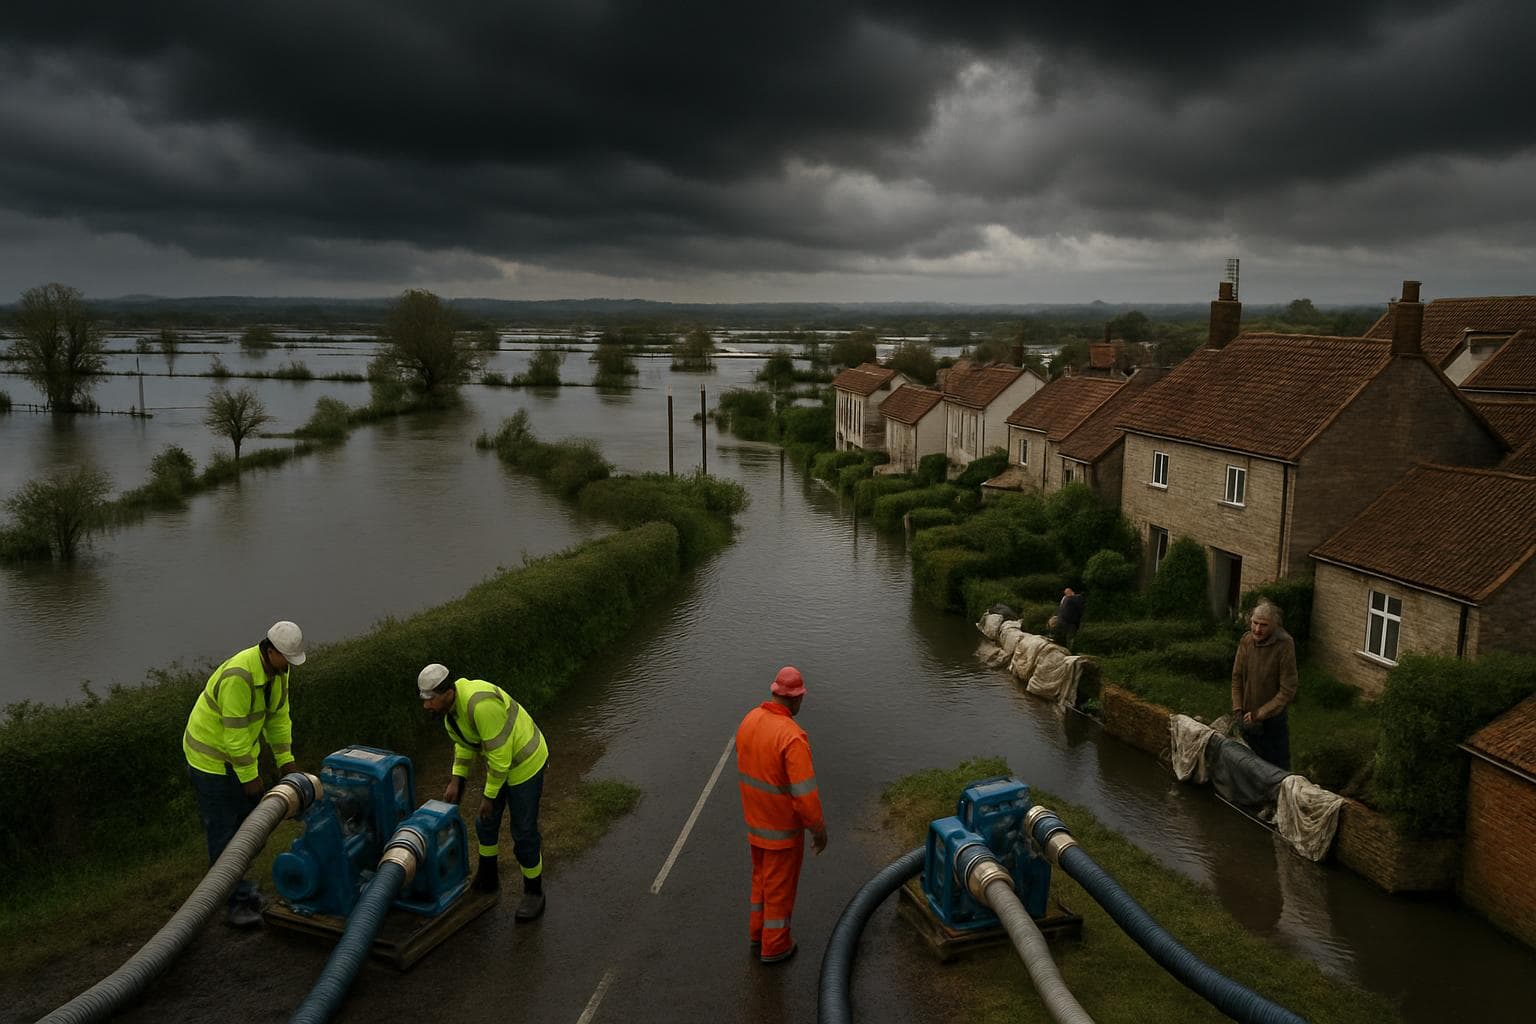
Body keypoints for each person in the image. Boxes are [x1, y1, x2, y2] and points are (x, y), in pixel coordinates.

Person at [183, 620, 306, 927]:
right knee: (225, 833)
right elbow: (234, 737)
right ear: (270, 650)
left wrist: (286, 762)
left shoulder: (279, 672)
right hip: (210, 762)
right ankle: (235, 905)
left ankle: (243, 890)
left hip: (235, 760)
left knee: (250, 829)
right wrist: (251, 780)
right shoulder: (239, 675)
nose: (289, 666)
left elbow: (279, 719)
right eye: (286, 660)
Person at [418, 663, 549, 921]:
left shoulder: (481, 705)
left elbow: (501, 759)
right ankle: (488, 878)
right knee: (485, 823)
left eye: (430, 700)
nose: (426, 706)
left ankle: (534, 892)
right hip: (502, 766)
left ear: (446, 693)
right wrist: (457, 779)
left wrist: (489, 798)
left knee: (523, 833)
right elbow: (465, 745)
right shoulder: (451, 716)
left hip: (525, 764)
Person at [735, 666, 828, 965]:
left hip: (755, 824)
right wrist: (818, 831)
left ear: (775, 692)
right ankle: (775, 946)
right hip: (781, 832)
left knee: (761, 883)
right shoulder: (791, 737)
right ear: (797, 699)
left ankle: (757, 933)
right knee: (779, 890)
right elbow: (805, 796)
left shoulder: (749, 720)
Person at [1231, 601, 1298, 770]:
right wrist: (1238, 708)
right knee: (1247, 767)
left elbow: (1287, 691)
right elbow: (1237, 677)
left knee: (1277, 769)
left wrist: (1260, 713)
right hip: (1246, 718)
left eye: (1263, 625)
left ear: (1274, 626)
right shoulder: (1246, 641)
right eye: (1255, 623)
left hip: (1272, 723)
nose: (1257, 630)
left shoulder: (1284, 645)